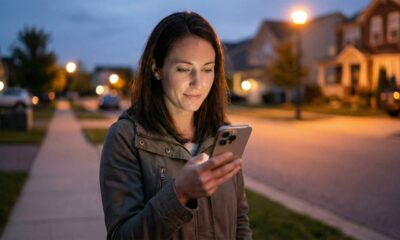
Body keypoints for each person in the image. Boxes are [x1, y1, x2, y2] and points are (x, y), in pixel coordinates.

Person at [100, 11, 252, 240]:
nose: (198, 83)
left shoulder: (219, 134)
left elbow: (240, 220)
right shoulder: (125, 138)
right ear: (156, 69)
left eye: (207, 69)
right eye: (183, 69)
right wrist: (179, 193)